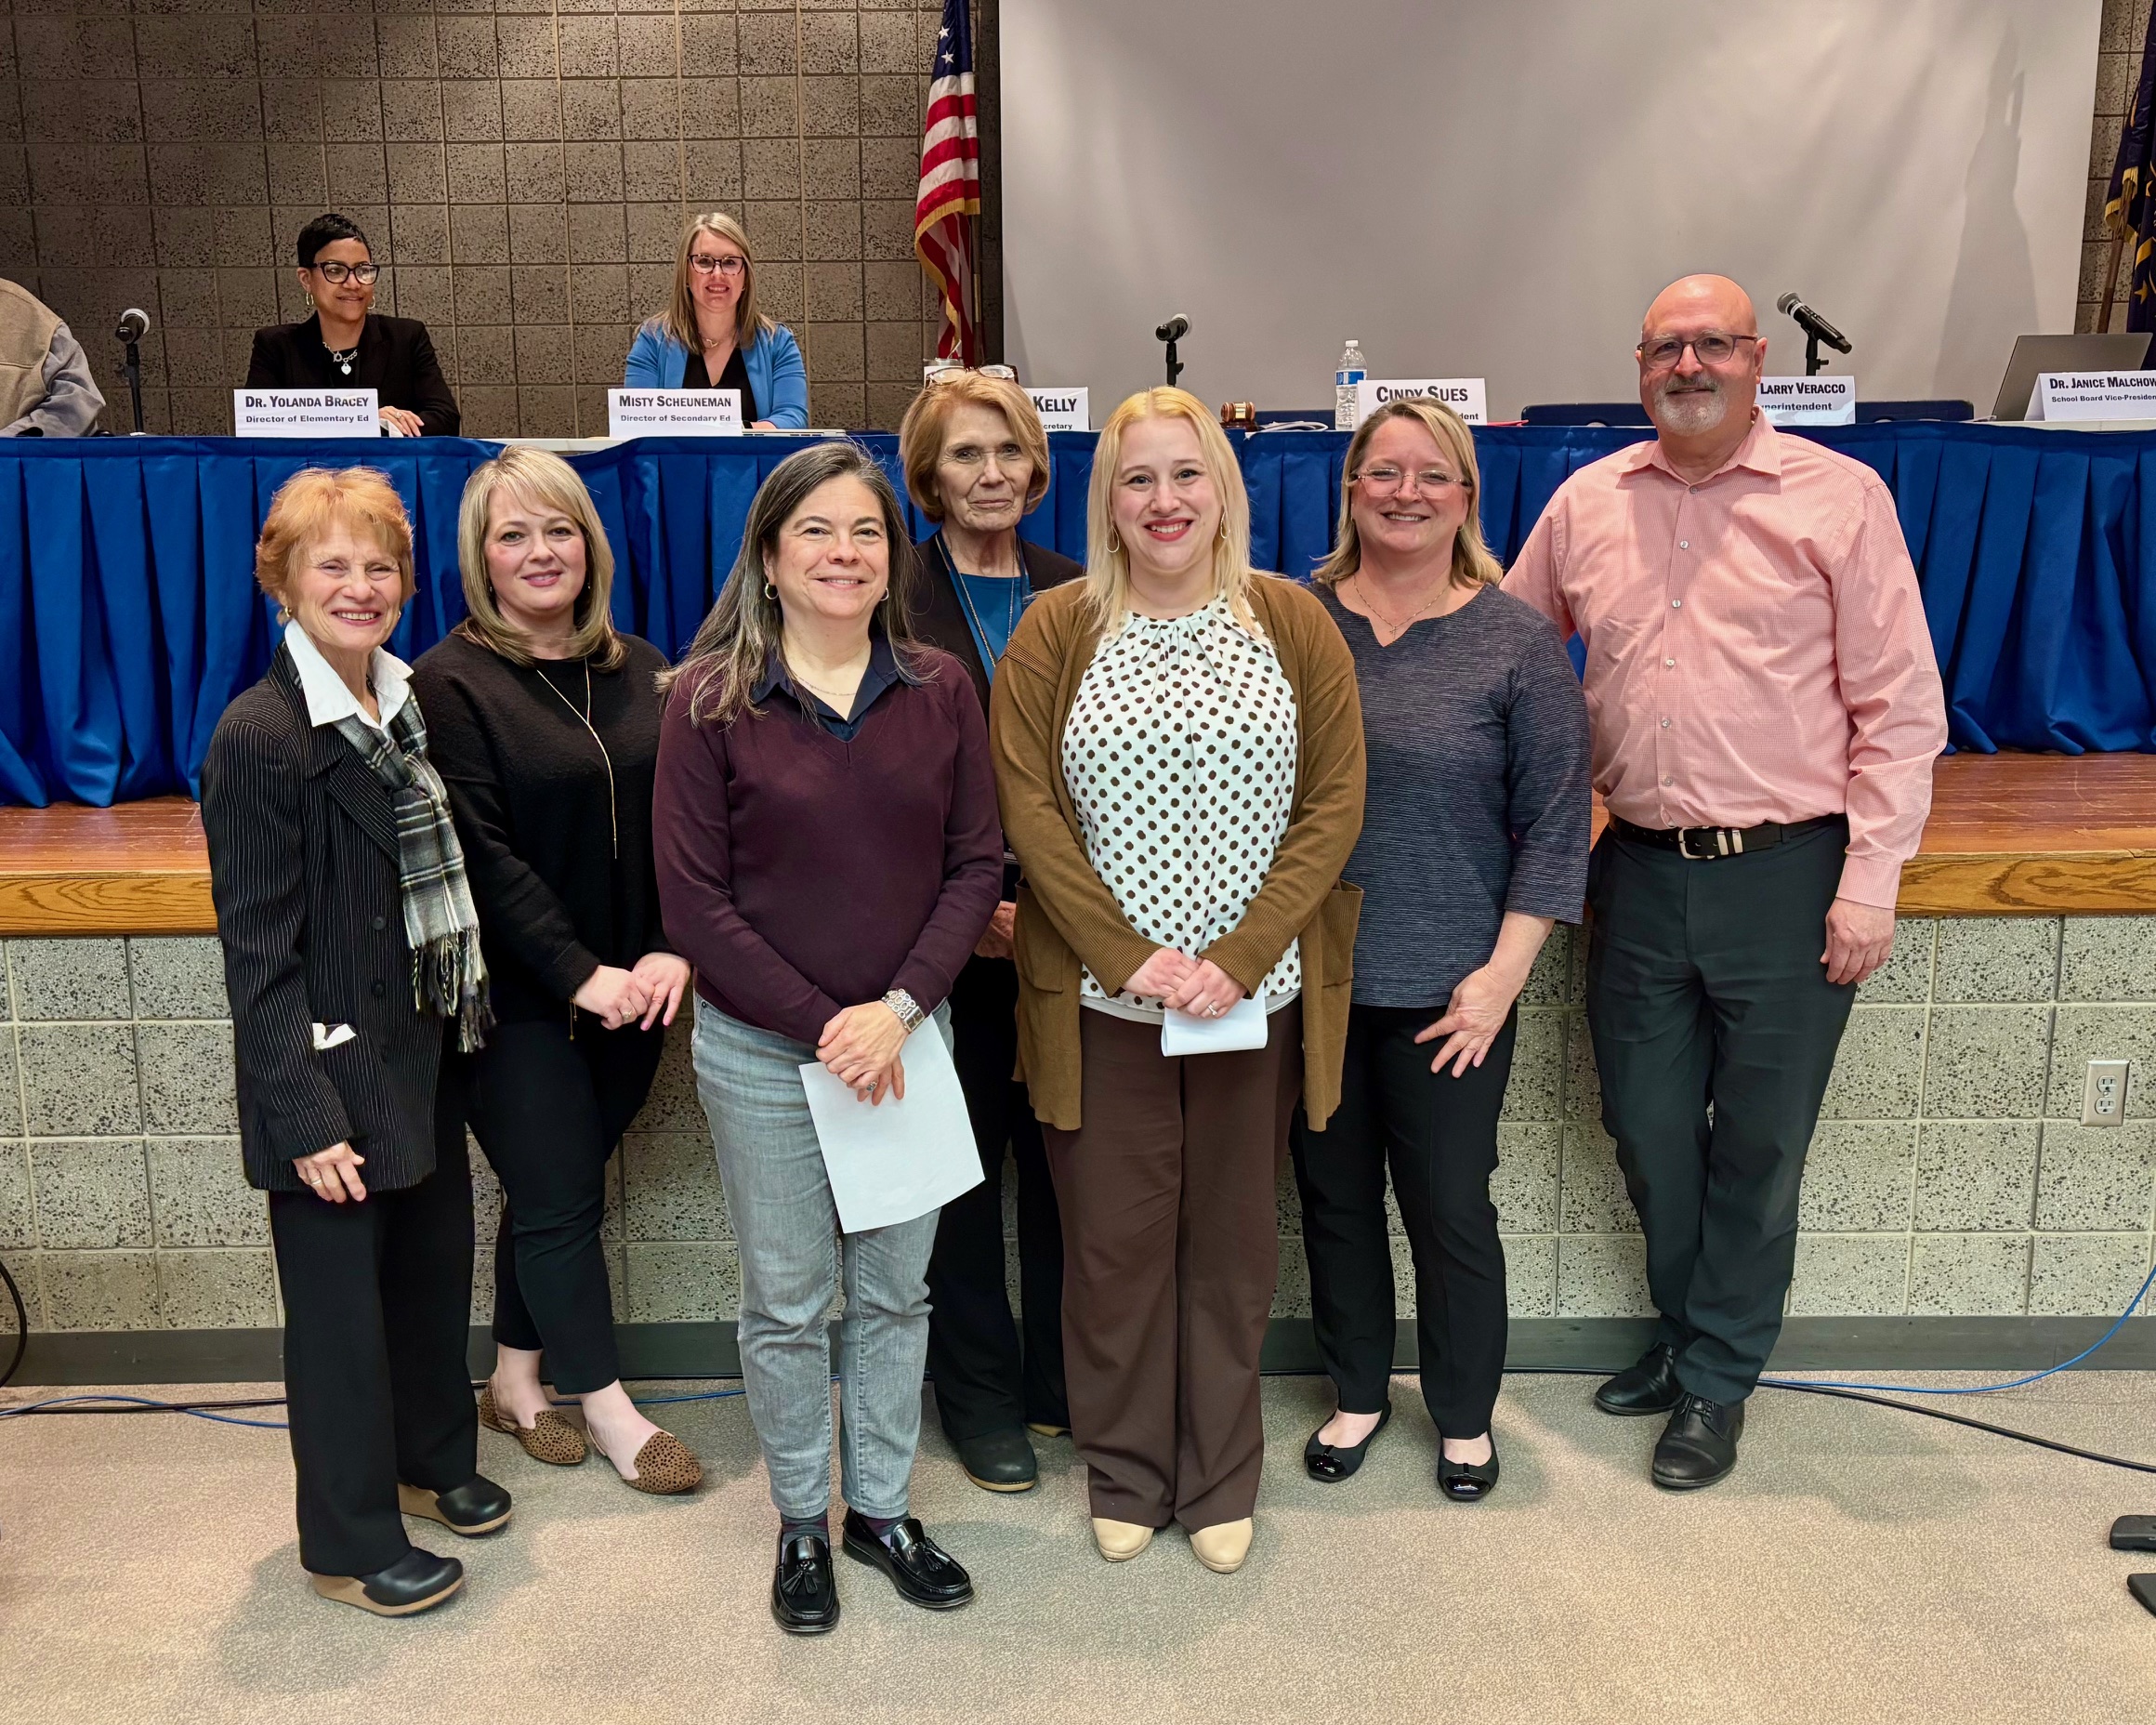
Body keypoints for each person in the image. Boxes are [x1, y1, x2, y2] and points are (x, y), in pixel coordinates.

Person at [1504, 274, 1947, 1490]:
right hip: (1637, 870)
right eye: (1665, 347)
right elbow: (1511, 645)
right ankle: (1699, 1334)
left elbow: (1902, 708)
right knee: (1646, 1127)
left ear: (1759, 360)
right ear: (1639, 365)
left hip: (1791, 876)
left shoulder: (1840, 500)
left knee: (1758, 1145)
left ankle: (1713, 1377)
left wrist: (1872, 881)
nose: (1687, 364)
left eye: (1712, 344)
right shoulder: (1589, 501)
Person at [991, 387, 1366, 1575]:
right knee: (1111, 1248)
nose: (1164, 500)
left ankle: (1215, 1475)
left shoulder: (1292, 621)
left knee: (1233, 1245)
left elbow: (1333, 801)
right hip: (1104, 1005)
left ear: (1224, 489)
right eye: (1138, 478)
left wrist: (1240, 957)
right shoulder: (1056, 628)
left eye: (1185, 474)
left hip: (1251, 1004)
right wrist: (1127, 954)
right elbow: (1029, 809)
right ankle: (1126, 1469)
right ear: (1107, 498)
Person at [654, 441, 1000, 1634]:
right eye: (816, 532)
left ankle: (883, 1507)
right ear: (767, 553)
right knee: (792, 1300)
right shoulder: (707, 700)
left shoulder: (941, 686)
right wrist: (826, 1026)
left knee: (897, 1294)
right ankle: (803, 1517)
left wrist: (896, 1010)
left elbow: (974, 866)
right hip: (761, 1053)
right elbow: (695, 906)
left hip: (908, 1040)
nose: (843, 553)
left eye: (864, 532)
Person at [200, 467, 504, 1616]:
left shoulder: (404, 697)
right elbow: (256, 955)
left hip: (417, 1048)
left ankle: (428, 1459)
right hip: (324, 1069)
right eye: (333, 563)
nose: (360, 584)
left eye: (379, 564)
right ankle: (345, 1536)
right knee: (339, 1322)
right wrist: (305, 1112)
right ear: (283, 578)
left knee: (428, 1278)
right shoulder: (262, 734)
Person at [1292, 398, 1590, 1502]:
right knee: (1333, 1197)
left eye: (1432, 474)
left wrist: (1499, 980)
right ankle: (1358, 1391)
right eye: (1383, 472)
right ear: (1351, 487)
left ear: (1466, 495)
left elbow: (1558, 822)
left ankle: (1463, 1413)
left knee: (1449, 1204)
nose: (1405, 492)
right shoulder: (1297, 619)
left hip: (1453, 990)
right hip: (1316, 985)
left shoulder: (1512, 637)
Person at [412, 448, 701, 1497]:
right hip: (517, 996)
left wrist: (674, 942)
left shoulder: (640, 663)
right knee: (562, 1193)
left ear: (591, 544)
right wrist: (579, 970)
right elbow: (478, 853)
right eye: (513, 534)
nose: (541, 552)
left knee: (549, 1194)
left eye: (560, 529)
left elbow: (682, 823)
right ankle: (609, 1404)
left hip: (638, 992)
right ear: (480, 558)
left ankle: (516, 1378)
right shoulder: (449, 679)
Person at [895, 370, 1083, 1493]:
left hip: (1071, 938)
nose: (990, 474)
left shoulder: (1080, 589)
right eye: (966, 455)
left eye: (1008, 451)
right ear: (928, 474)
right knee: (959, 1182)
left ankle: (1062, 1380)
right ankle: (976, 1395)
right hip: (940, 944)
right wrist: (968, 916)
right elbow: (877, 790)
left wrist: (1059, 913)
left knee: (1065, 1167)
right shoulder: (891, 602)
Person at [245, 214, 460, 438]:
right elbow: (258, 429)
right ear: (306, 279)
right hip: (307, 473)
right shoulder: (276, 346)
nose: (353, 283)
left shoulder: (406, 338)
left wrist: (388, 425)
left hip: (387, 472)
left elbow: (445, 420)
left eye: (362, 270)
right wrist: (365, 420)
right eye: (335, 270)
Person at [623, 212, 808, 430]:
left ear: (745, 277)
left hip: (757, 465)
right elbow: (635, 423)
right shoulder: (652, 340)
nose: (718, 273)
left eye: (730, 262)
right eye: (704, 261)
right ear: (685, 273)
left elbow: (793, 418)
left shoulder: (778, 342)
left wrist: (727, 431)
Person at [0, 276, 105, 436]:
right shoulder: (36, 319)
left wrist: (10, 444)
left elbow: (74, 408)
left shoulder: (37, 323)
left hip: (17, 459)